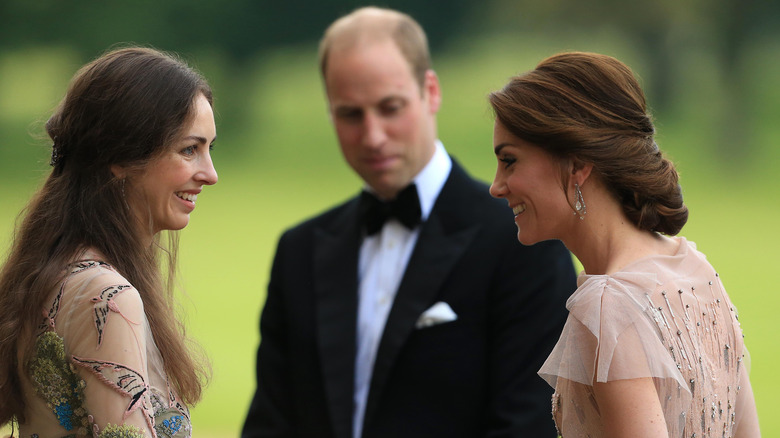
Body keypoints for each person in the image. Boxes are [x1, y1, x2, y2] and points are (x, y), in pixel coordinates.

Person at [241, 7, 576, 438]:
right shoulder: (299, 250)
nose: (373, 135)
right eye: (350, 114)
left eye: (390, 107)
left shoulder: (523, 240)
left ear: (430, 91)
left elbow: (528, 424)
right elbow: (270, 423)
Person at [488, 51, 761, 437]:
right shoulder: (694, 267)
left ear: (577, 164)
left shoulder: (609, 304)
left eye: (510, 161)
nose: (496, 186)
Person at [0, 47, 218, 437]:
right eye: (189, 149)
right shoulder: (106, 296)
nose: (210, 174)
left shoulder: (60, 269)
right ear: (120, 158)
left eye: (208, 149)